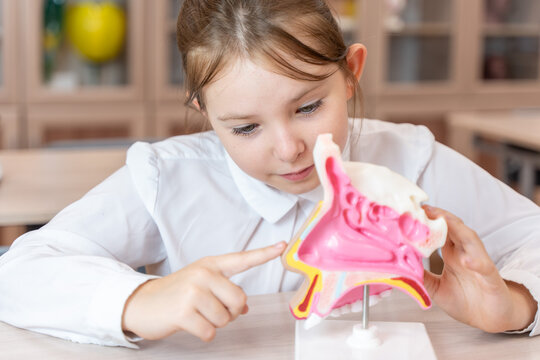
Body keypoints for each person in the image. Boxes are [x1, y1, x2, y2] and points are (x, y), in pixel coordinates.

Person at [0, 0, 539, 348]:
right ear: (202, 110)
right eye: (244, 127)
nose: (289, 149)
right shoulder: (167, 179)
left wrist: (517, 302)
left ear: (351, 73)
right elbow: (20, 271)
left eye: (308, 108)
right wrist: (136, 300)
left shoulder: (407, 158)